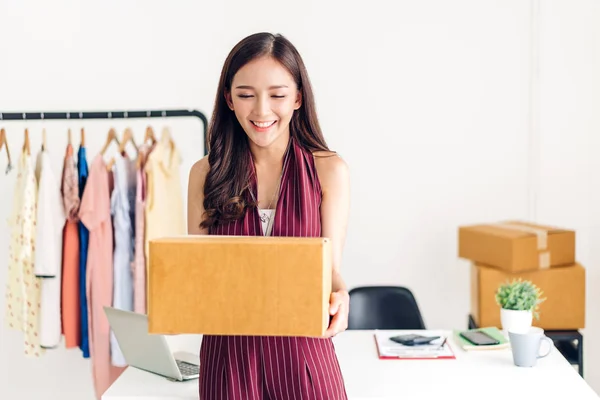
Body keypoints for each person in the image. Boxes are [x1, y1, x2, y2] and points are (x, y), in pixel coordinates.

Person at [187, 32, 350, 400]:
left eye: (277, 95)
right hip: (228, 360)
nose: (261, 111)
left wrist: (342, 296)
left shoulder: (329, 172)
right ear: (228, 99)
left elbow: (332, 270)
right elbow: (198, 274)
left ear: (297, 98)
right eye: (246, 95)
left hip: (304, 356)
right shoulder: (204, 174)